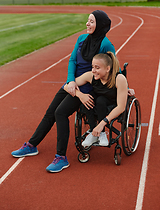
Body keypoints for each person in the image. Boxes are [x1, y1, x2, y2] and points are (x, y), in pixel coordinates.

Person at [11, 10, 116, 173]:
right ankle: (32, 145)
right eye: (87, 21)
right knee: (50, 112)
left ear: (100, 25)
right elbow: (73, 60)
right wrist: (71, 81)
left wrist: (123, 83)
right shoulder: (81, 39)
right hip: (73, 83)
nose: (87, 24)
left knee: (60, 113)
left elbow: (112, 67)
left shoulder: (106, 44)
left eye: (92, 22)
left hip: (88, 88)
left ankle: (61, 157)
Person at [65, 52, 128, 147]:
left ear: (107, 68)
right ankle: (93, 131)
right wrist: (81, 95)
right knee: (88, 98)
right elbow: (66, 86)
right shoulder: (90, 76)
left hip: (112, 104)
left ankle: (101, 133)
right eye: (92, 67)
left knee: (101, 100)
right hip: (97, 104)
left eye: (97, 68)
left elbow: (121, 107)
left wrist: (102, 124)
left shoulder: (119, 78)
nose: (93, 70)